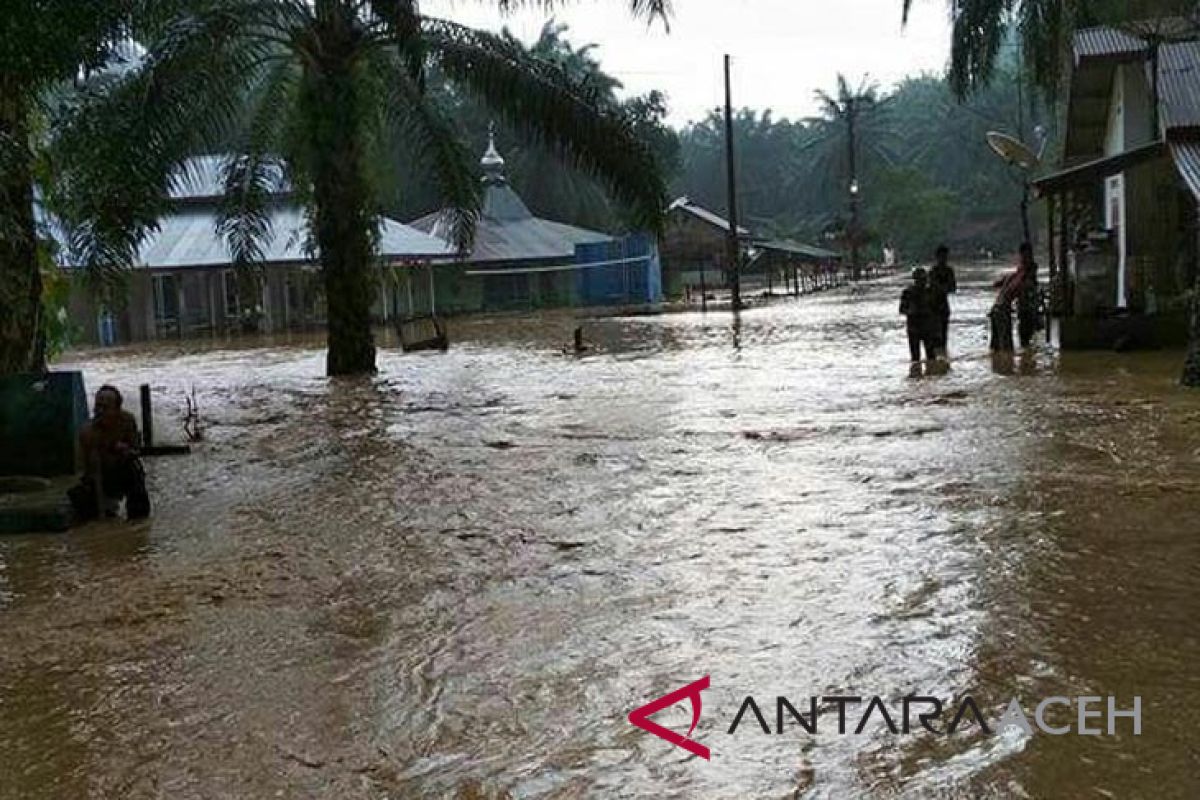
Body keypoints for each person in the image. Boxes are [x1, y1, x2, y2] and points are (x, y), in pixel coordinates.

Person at [68, 385, 151, 521]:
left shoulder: (127, 421)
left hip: (123, 469)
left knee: (135, 472)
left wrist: (125, 450)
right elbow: (87, 471)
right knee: (81, 500)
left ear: (117, 410)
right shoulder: (88, 432)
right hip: (98, 476)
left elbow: (136, 450)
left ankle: (138, 520)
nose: (100, 411)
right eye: (97, 407)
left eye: (105, 407)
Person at [990, 243, 1039, 352]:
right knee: (1006, 349)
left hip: (998, 310)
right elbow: (1015, 290)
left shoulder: (1014, 275)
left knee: (997, 348)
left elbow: (996, 285)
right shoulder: (1019, 277)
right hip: (1002, 311)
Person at [899, 267, 937, 363]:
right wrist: (911, 311)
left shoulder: (931, 291)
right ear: (915, 279)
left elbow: (937, 310)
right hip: (914, 327)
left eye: (924, 279)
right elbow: (902, 309)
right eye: (920, 279)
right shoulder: (908, 292)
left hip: (927, 327)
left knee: (931, 357)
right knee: (915, 358)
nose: (923, 281)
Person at [929, 244, 957, 355]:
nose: (944, 259)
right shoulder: (933, 271)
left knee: (943, 335)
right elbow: (933, 287)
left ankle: (941, 358)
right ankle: (938, 357)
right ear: (937, 257)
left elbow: (953, 288)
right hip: (934, 307)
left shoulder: (948, 271)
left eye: (945, 256)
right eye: (942, 256)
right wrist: (943, 288)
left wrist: (941, 289)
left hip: (942, 306)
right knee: (936, 335)